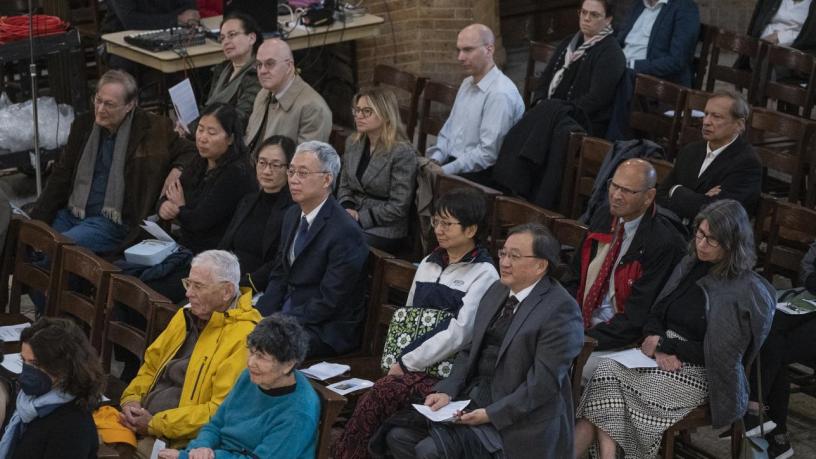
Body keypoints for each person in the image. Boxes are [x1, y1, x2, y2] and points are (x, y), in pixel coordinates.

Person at [575, 199, 776, 459]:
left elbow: (719, 354)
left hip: (703, 373)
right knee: (606, 373)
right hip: (661, 355)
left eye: (711, 240)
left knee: (607, 387)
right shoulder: (690, 264)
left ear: (732, 244)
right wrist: (657, 343)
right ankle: (609, 455)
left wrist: (665, 346)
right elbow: (656, 311)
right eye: (700, 234)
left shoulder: (742, 290)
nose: (701, 244)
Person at [384, 224, 584, 459]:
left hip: (517, 420)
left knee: (429, 451)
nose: (505, 262)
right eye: (503, 253)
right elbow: (470, 350)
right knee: (396, 436)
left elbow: (542, 386)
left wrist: (490, 414)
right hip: (473, 398)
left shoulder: (561, 310)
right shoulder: (497, 290)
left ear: (541, 265)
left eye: (515, 256)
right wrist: (447, 391)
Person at [333, 188, 499, 459]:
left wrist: (408, 362)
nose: (439, 229)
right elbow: (410, 318)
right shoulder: (428, 262)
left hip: (446, 373)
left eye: (447, 224)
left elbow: (460, 333)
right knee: (379, 394)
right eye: (436, 221)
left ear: (470, 230)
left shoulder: (484, 273)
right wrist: (401, 361)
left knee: (382, 392)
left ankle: (345, 453)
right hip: (409, 362)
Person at [30, 69, 196, 256]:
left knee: (59, 249)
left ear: (130, 105)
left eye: (109, 104)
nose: (100, 109)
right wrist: (36, 219)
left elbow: (191, 150)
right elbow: (61, 175)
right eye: (98, 100)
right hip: (74, 212)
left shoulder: (154, 129)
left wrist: (177, 169)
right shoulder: (84, 125)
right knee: (31, 241)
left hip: (113, 222)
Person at [119, 250, 262, 457]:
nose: (188, 293)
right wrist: (131, 399)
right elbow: (151, 365)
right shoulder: (185, 314)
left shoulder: (245, 337)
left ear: (226, 291)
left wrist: (154, 424)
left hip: (181, 441)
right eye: (189, 283)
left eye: (198, 286)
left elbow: (219, 410)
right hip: (143, 421)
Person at [576, 159, 685, 381]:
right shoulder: (604, 215)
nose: (616, 195)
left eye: (627, 191)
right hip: (579, 321)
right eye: (614, 186)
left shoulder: (664, 242)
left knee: (576, 368)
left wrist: (582, 338)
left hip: (620, 337)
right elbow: (574, 276)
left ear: (649, 196)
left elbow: (637, 316)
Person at [256, 141, 368, 357]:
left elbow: (330, 301)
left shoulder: (346, 232)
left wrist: (278, 323)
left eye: (303, 173)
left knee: (263, 349)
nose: (293, 179)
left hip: (324, 328)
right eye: (291, 171)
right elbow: (280, 273)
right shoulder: (291, 215)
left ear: (327, 179)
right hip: (288, 314)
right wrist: (260, 314)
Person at [157, 314, 319, 459]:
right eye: (252, 352)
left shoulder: (298, 414)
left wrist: (186, 457)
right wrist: (202, 446)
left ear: (288, 365)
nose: (250, 362)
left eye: (261, 357)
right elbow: (216, 424)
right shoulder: (251, 377)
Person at [143, 102, 257, 303]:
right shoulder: (200, 161)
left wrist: (179, 209)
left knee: (150, 289)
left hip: (211, 259)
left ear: (230, 138)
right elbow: (168, 196)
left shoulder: (237, 174)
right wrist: (164, 206)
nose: (203, 138)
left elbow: (200, 221)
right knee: (133, 273)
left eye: (212, 133)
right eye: (201, 130)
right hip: (184, 247)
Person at [739, 240, 816, 459]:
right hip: (808, 297)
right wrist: (810, 278)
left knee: (776, 345)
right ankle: (773, 431)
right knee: (770, 329)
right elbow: (808, 262)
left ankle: (761, 418)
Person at [426, 23, 524, 185]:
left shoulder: (500, 94)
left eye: (468, 50)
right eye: (459, 50)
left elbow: (487, 155)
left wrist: (445, 170)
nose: (460, 57)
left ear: (489, 49)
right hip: (456, 164)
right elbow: (449, 131)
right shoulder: (467, 83)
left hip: (481, 175)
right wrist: (436, 159)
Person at [0, 318, 103, 459]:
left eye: (35, 363)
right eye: (23, 360)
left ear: (63, 368)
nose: (27, 370)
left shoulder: (72, 426)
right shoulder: (26, 401)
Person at [656, 90, 762, 223]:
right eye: (706, 114)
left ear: (739, 124)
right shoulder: (690, 151)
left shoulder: (747, 164)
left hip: (714, 241)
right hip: (675, 230)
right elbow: (660, 196)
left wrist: (676, 191)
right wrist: (700, 198)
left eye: (716, 117)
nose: (706, 122)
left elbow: (716, 215)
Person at [337, 88, 418, 253]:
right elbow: (344, 184)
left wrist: (360, 217)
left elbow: (399, 206)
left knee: (343, 239)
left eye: (367, 111)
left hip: (384, 226)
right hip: (351, 214)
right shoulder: (353, 143)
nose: (359, 116)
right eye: (357, 110)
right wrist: (347, 207)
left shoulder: (401, 152)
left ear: (386, 115)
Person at [534, 0, 626, 136]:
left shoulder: (612, 53)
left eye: (594, 15)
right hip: (553, 114)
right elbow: (546, 78)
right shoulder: (569, 42)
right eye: (583, 12)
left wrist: (557, 112)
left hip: (582, 124)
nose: (586, 18)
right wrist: (540, 101)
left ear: (608, 20)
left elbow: (596, 99)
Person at [218, 135, 296, 295]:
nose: (267, 171)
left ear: (290, 169)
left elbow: (279, 262)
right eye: (262, 163)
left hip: (257, 287)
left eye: (275, 165)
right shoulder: (248, 200)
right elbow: (226, 243)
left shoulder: (293, 211)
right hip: (227, 277)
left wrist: (244, 284)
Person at [245, 38, 332, 153]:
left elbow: (306, 165)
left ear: (289, 66)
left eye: (270, 64)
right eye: (259, 65)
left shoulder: (313, 108)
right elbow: (249, 139)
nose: (262, 71)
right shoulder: (263, 94)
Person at [193, 13, 263, 130]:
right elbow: (208, 107)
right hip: (207, 130)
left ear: (251, 38)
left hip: (229, 138)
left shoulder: (256, 74)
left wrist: (195, 129)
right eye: (222, 38)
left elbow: (241, 119)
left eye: (232, 35)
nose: (225, 42)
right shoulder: (222, 69)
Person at [616, 0, 700, 87]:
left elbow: (677, 61)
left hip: (650, 82)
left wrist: (631, 65)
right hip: (620, 69)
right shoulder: (639, 4)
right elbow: (619, 40)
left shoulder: (685, 8)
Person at [102, 0, 199, 32]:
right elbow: (131, 20)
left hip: (171, 33)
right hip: (121, 39)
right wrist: (176, 19)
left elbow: (189, 8)